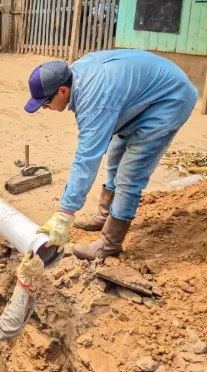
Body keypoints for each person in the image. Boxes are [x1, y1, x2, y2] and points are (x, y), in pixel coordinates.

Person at [24, 50, 198, 260]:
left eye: (46, 102)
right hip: (146, 96)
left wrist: (65, 212)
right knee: (116, 153)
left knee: (130, 173)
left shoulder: (96, 99)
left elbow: (87, 157)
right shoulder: (78, 77)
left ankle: (109, 244)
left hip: (170, 99)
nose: (44, 107)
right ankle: (105, 215)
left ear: (62, 91)